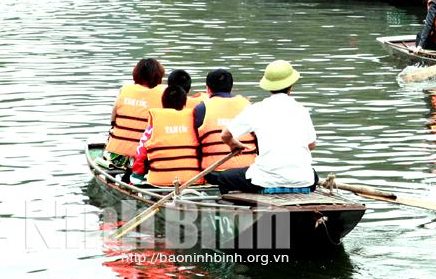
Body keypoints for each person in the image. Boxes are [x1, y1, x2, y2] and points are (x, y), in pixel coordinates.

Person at [206, 60, 318, 195]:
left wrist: (234, 144)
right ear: (291, 86)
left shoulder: (256, 109)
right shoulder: (302, 110)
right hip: (303, 180)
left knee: (224, 178)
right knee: (313, 175)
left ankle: (236, 208)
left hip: (267, 179)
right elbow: (311, 145)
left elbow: (225, 135)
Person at [130, 82, 201, 187]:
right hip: (192, 180)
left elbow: (141, 153)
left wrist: (137, 176)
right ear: (184, 104)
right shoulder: (195, 122)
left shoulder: (155, 124)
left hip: (159, 182)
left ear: (162, 104)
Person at [101, 58, 167, 168]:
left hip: (117, 157)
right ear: (158, 77)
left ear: (136, 74)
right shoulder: (164, 93)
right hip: (145, 159)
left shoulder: (125, 89)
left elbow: (112, 120)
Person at [193, 68, 258, 171]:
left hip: (215, 172)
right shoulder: (247, 105)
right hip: (248, 171)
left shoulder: (202, 108)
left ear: (208, 89)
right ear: (231, 87)